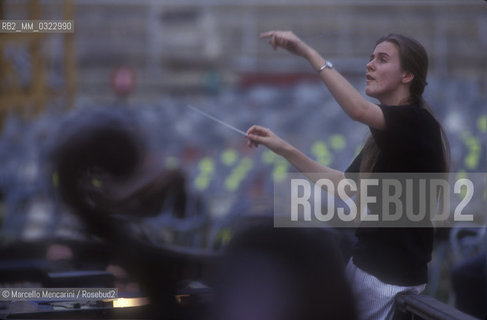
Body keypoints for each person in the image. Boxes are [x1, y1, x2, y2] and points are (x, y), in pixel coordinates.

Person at [246, 31, 450, 320]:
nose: (370, 65)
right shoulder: (390, 133)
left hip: (385, 282)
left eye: (382, 59)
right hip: (368, 270)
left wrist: (307, 52)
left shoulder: (417, 123)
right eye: (371, 58)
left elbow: (356, 109)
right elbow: (344, 186)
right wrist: (284, 149)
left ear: (407, 75)